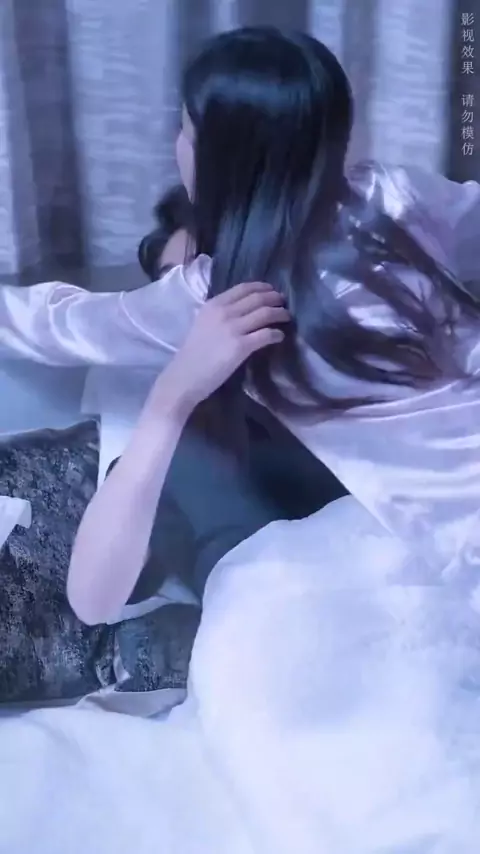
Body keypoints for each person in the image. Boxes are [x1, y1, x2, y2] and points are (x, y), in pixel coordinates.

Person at [1, 24, 480, 850]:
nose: (174, 141)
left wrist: (173, 387)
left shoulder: (217, 298)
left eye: (185, 129)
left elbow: (60, 322)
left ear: (220, 159)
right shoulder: (393, 201)